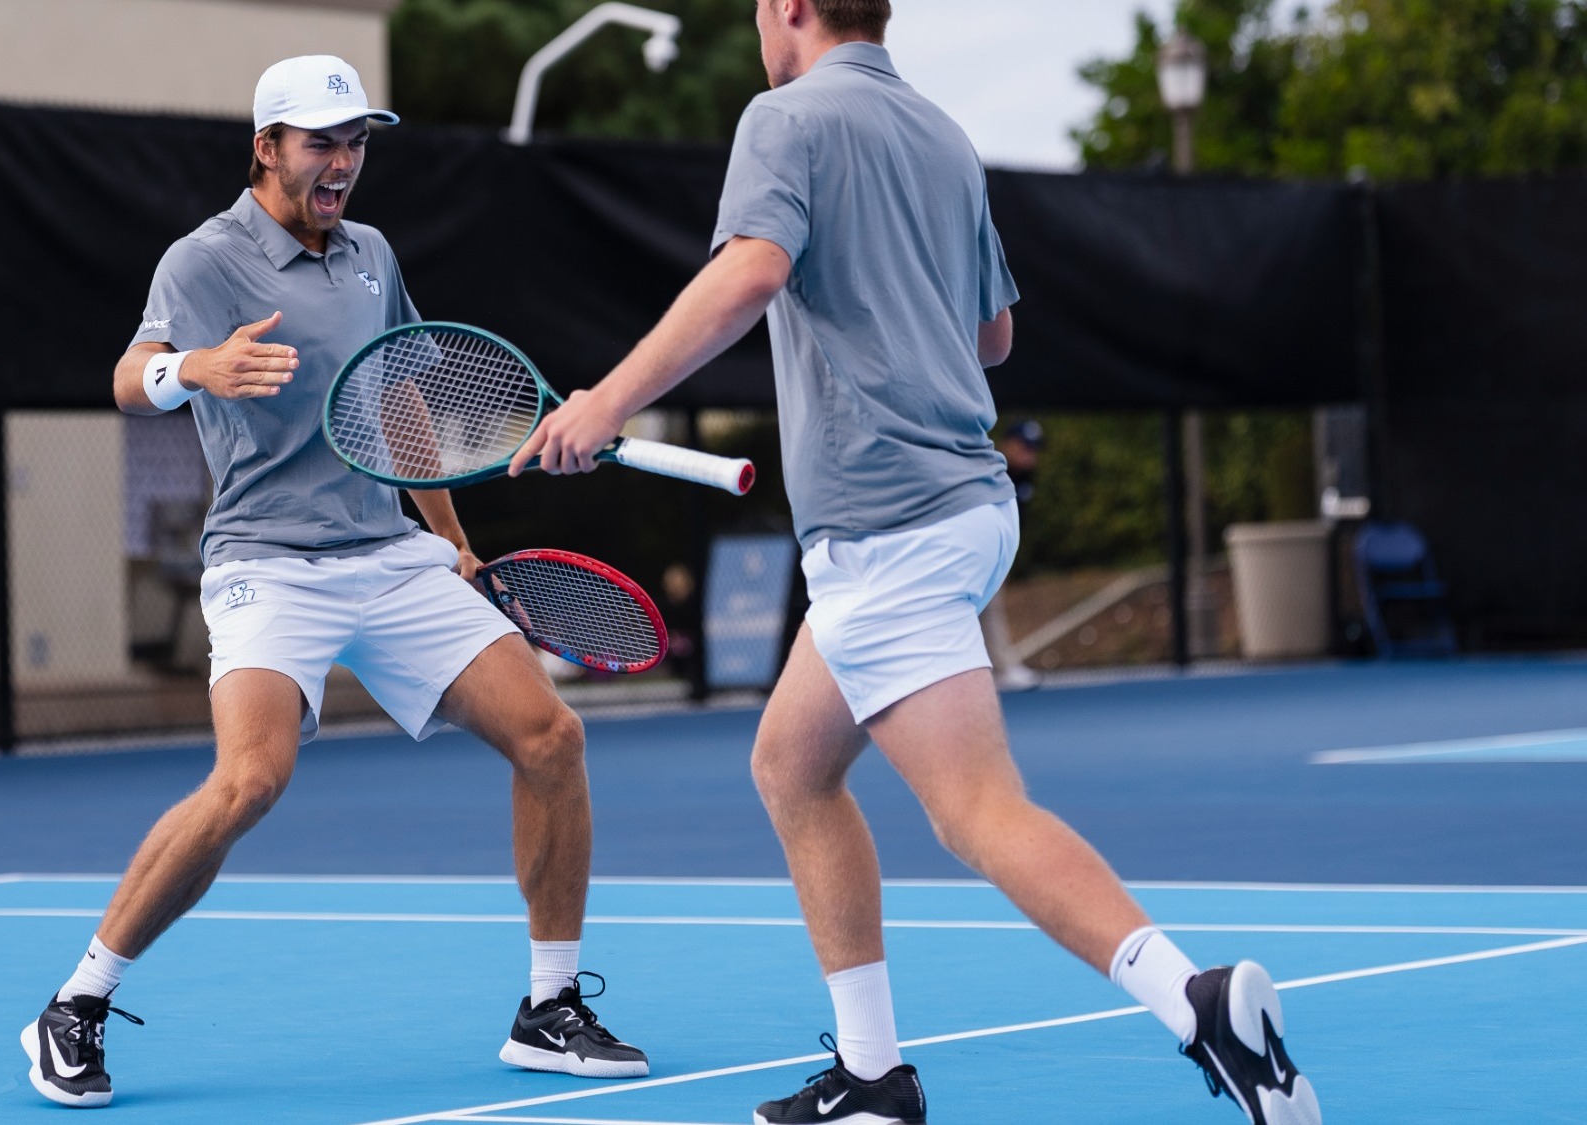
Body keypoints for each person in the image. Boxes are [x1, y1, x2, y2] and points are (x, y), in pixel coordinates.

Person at [508, 3, 1318, 1123]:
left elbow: (749, 272)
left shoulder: (781, 118)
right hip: (961, 508)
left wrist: (603, 401)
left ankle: (1194, 1001)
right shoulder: (940, 134)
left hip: (889, 521)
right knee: (793, 767)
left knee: (977, 813)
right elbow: (994, 336)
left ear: (790, 6)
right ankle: (872, 1074)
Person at [19, 54, 647, 1109]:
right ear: (266, 148)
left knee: (551, 738)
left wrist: (446, 534)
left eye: (355, 141)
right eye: (321, 141)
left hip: (389, 554)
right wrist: (195, 371)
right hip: (267, 561)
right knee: (249, 781)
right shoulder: (203, 259)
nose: (343, 161)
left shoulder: (370, 255)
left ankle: (546, 1009)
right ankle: (74, 1005)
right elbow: (132, 379)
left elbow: (395, 394)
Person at [980, 420, 1043, 690]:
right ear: (1008, 444)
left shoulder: (1027, 477)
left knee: (986, 609)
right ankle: (1002, 667)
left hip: (998, 552)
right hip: (979, 549)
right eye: (1025, 447)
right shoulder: (992, 470)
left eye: (1034, 449)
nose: (1030, 455)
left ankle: (997, 668)